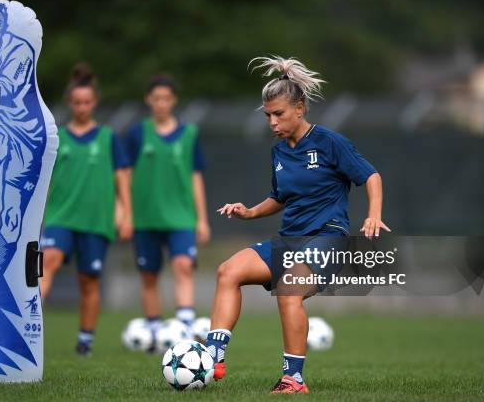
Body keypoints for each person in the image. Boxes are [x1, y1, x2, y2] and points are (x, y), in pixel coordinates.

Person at [206, 56, 390, 394]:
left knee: (289, 290)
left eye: (279, 114)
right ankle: (212, 358)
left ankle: (294, 379)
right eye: (268, 116)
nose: (272, 122)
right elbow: (279, 198)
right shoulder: (279, 152)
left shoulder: (331, 143)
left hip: (327, 239)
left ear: (300, 108)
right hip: (289, 241)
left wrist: (373, 214)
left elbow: (371, 176)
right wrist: (249, 212)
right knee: (227, 271)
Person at [40, 63, 133, 356]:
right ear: (70, 103)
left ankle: (85, 341)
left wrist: (126, 214)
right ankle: (29, 329)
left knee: (89, 281)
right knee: (47, 263)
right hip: (60, 217)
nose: (81, 107)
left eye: (87, 102)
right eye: (76, 102)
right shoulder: (57, 139)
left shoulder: (108, 139)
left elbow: (122, 178)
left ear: (94, 103)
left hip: (96, 221)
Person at [126, 74, 210, 337]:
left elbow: (196, 177)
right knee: (149, 275)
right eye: (156, 98)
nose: (161, 103)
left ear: (173, 101)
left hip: (181, 216)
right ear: (148, 100)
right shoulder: (137, 133)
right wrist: (124, 212)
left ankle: (184, 325)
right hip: (145, 217)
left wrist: (202, 219)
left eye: (166, 98)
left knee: (183, 266)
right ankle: (152, 330)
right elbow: (124, 175)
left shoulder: (189, 134)